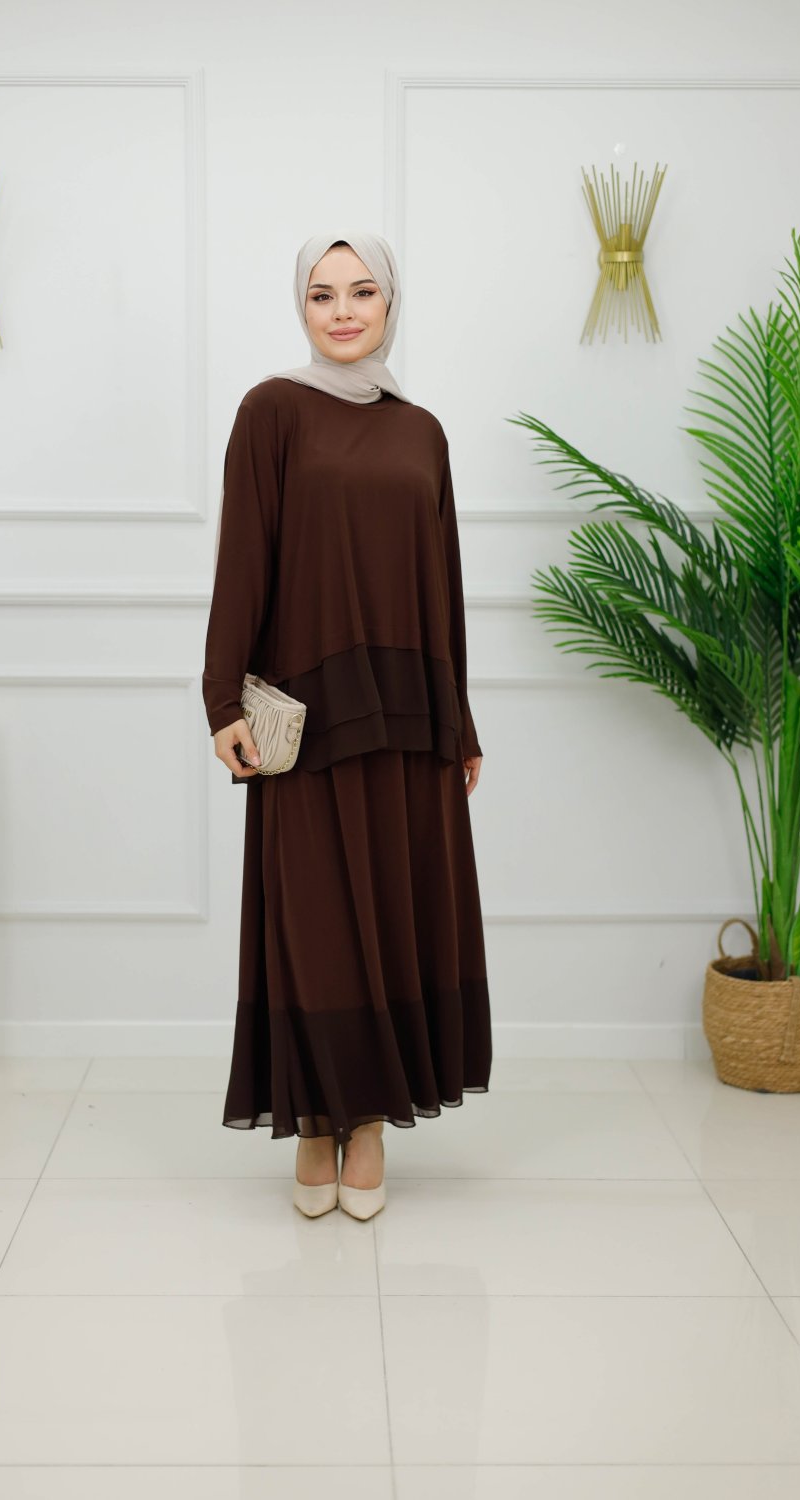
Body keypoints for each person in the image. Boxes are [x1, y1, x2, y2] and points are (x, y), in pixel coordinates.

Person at [202, 231, 491, 1221]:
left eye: (362, 292)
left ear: (390, 303)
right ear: (301, 307)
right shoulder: (271, 412)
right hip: (310, 711)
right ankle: (316, 1121)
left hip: (410, 712)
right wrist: (220, 701)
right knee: (317, 925)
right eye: (322, 294)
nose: (342, 311)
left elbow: (444, 585)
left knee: (394, 920)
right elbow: (242, 559)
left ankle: (366, 1124)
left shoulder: (422, 432)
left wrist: (461, 720)